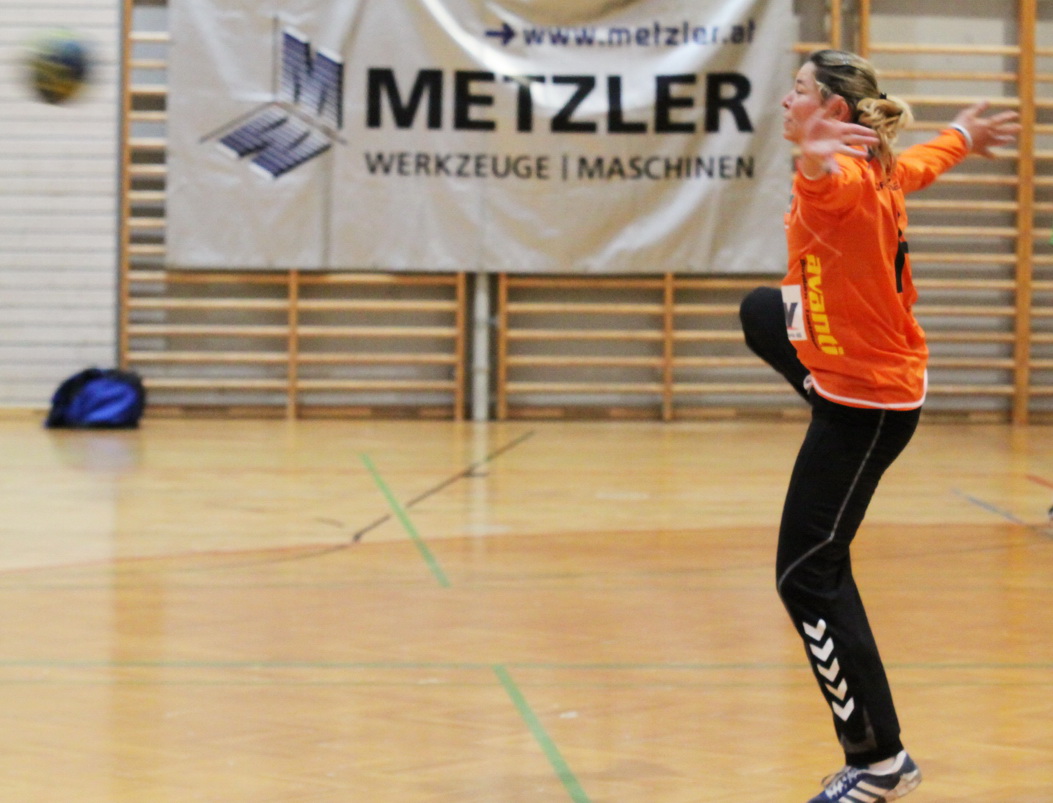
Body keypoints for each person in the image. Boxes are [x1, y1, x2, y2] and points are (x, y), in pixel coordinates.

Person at [738, 49, 1020, 803]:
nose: (786, 100)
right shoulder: (880, 168)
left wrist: (813, 158)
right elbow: (917, 164)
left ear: (832, 110)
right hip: (860, 374)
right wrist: (960, 136)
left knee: (806, 574)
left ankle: (878, 759)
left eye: (799, 90)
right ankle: (817, 382)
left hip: (865, 407)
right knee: (760, 310)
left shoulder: (844, 182)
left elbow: (827, 186)